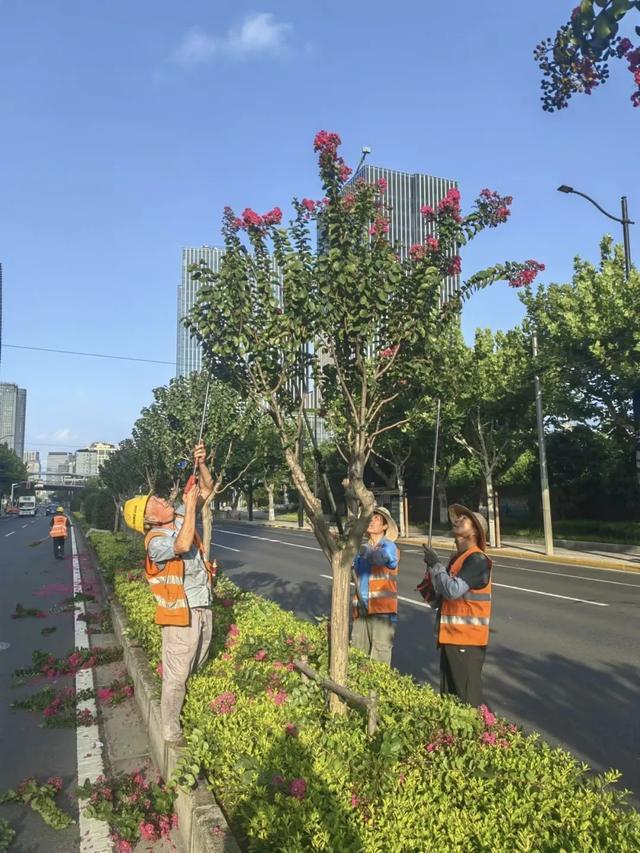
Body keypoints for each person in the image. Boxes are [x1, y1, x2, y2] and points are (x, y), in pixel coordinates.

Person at [123, 442, 215, 744]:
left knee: (197, 663)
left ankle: (188, 713)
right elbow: (183, 545)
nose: (161, 499)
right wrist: (188, 507)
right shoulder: (154, 541)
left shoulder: (176, 515)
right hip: (179, 616)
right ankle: (171, 733)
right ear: (149, 519)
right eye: (155, 502)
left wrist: (200, 464)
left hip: (201, 605)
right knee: (176, 677)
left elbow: (207, 488)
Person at [422, 503, 492, 707]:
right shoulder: (457, 560)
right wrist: (431, 577)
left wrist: (436, 565)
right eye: (458, 517)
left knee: (467, 699)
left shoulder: (477, 560)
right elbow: (440, 598)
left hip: (467, 640)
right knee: (450, 698)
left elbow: (453, 590)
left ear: (475, 532)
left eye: (464, 519)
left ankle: (485, 737)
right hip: (450, 637)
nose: (458, 520)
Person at [350, 506, 400, 665]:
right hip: (361, 610)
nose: (372, 521)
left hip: (382, 611)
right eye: (370, 518)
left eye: (377, 519)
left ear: (385, 526)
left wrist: (365, 550)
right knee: (357, 656)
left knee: (379, 660)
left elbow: (379, 559)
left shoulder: (389, 546)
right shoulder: (361, 549)